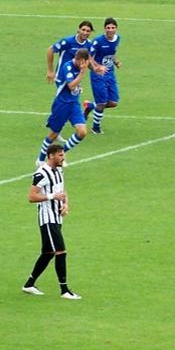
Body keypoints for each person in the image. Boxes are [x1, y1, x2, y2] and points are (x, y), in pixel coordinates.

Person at [22, 144, 81, 300]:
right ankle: (64, 290)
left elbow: (62, 190)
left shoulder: (59, 170)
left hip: (57, 217)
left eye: (63, 155)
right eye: (60, 155)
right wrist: (52, 197)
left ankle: (29, 284)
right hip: (47, 219)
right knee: (60, 251)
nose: (63, 158)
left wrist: (66, 204)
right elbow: (31, 197)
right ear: (51, 156)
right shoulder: (41, 174)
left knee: (48, 253)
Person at [35, 48, 90, 167]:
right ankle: (40, 160)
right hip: (62, 104)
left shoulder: (83, 65)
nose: (80, 63)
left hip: (74, 104)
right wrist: (82, 73)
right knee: (53, 135)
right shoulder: (68, 67)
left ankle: (61, 154)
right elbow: (71, 85)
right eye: (78, 60)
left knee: (82, 132)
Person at [83, 17, 122, 134]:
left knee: (114, 102)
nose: (110, 30)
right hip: (98, 75)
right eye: (108, 28)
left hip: (110, 73)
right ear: (104, 29)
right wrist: (96, 67)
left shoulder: (117, 38)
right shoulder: (98, 41)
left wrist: (116, 61)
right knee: (102, 103)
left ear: (116, 28)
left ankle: (90, 106)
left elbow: (112, 52)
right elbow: (88, 56)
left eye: (113, 28)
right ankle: (96, 127)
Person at [45, 20, 105, 85]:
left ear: (91, 32)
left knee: (73, 94)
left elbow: (87, 60)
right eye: (83, 30)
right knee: (66, 95)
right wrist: (50, 71)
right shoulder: (67, 41)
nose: (85, 33)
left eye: (88, 31)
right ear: (79, 30)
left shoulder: (88, 44)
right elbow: (50, 50)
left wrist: (94, 68)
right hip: (62, 76)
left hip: (76, 77)